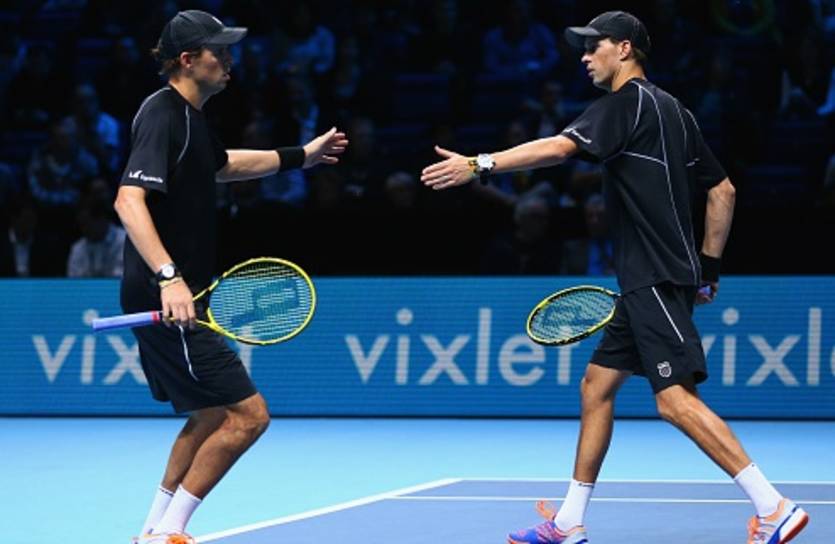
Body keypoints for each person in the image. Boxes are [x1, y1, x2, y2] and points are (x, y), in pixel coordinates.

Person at [422, 11, 808, 544]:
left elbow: (560, 148)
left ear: (624, 48)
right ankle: (569, 521)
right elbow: (723, 192)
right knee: (596, 386)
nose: (584, 57)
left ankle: (774, 507)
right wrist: (708, 268)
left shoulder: (624, 104)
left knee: (673, 400)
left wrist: (480, 163)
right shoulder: (678, 112)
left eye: (593, 46)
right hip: (654, 277)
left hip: (652, 275)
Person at [114, 10, 347, 544]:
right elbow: (128, 200)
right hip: (169, 296)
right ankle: (169, 533)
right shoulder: (163, 113)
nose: (229, 59)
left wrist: (301, 157)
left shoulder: (191, 118)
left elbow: (222, 166)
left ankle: (152, 530)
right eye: (218, 51)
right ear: (187, 59)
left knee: (208, 414)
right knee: (249, 417)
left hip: (180, 293)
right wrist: (169, 277)